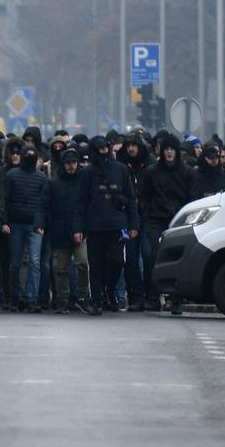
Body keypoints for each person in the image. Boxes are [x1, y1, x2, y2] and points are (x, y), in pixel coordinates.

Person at [79, 135, 139, 315]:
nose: (104, 152)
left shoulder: (121, 170)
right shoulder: (88, 173)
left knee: (117, 261)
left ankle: (109, 290)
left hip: (116, 224)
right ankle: (97, 300)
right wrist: (79, 228)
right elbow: (81, 202)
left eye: (106, 148)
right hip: (95, 226)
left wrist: (134, 224)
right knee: (95, 265)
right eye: (100, 149)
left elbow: (131, 198)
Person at [138, 136, 197, 315]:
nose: (169, 152)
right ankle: (152, 296)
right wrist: (148, 214)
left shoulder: (186, 173)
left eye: (172, 149)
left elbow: (192, 198)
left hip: (178, 221)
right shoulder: (151, 172)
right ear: (162, 151)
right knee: (152, 255)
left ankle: (175, 299)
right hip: (156, 220)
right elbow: (144, 196)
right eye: (166, 149)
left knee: (176, 259)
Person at [0, 143, 49, 311]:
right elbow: (5, 200)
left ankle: (31, 298)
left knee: (34, 262)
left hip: (34, 225)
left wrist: (41, 223)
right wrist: (4, 221)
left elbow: (44, 205)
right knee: (16, 263)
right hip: (16, 223)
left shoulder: (41, 178)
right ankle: (16, 296)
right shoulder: (12, 175)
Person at [46, 147, 88, 314]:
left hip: (81, 230)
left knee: (83, 263)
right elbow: (45, 205)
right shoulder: (54, 183)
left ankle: (82, 297)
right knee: (60, 268)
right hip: (60, 230)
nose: (71, 166)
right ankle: (63, 300)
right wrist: (41, 224)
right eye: (68, 163)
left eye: (73, 162)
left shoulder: (83, 182)